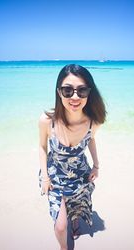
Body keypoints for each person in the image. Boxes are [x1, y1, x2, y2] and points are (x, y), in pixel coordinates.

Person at [38, 64, 106, 250]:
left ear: (89, 93)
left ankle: (75, 220)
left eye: (82, 90)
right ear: (59, 92)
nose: (75, 97)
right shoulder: (46, 120)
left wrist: (96, 166)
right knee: (60, 227)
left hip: (79, 174)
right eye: (68, 90)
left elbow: (91, 140)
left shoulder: (94, 121)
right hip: (55, 176)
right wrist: (45, 177)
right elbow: (42, 147)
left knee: (76, 209)